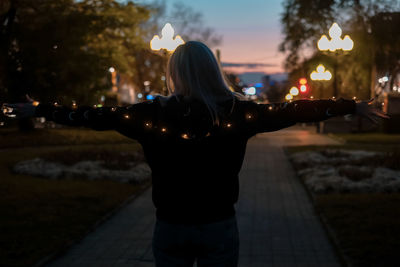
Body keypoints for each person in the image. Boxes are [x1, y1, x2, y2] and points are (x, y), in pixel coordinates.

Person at [3, 41, 388, 267]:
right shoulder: (238, 113)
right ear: (213, 70)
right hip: (219, 225)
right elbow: (294, 110)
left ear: (174, 73)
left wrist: (40, 109)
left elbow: (91, 115)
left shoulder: (149, 115)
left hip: (170, 226)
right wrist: (349, 105)